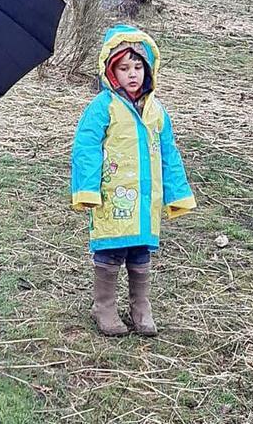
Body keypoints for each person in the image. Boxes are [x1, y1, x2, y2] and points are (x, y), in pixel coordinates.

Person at [70, 24, 197, 337]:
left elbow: (169, 153)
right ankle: (104, 305)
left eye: (138, 67)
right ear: (111, 71)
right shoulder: (103, 107)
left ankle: (140, 305)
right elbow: (85, 147)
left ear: (148, 69)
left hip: (145, 199)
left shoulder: (157, 112)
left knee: (140, 251)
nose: (132, 74)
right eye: (124, 68)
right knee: (112, 250)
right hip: (113, 197)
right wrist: (86, 189)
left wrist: (176, 194)